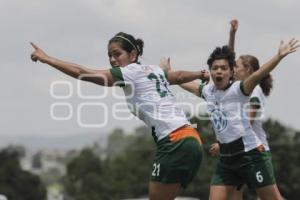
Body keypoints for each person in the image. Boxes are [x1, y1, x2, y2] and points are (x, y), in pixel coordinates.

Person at [30, 32, 210, 200]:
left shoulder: (129, 72)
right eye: (109, 55)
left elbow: (81, 73)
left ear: (133, 55)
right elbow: (177, 76)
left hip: (174, 141)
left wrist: (47, 59)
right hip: (192, 140)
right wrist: (200, 73)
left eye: (117, 54)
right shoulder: (153, 70)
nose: (112, 59)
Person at [160, 36, 299, 199]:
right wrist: (170, 73)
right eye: (215, 68)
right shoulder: (208, 91)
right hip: (226, 160)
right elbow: (187, 85)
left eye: (224, 68)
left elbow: (260, 73)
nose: (219, 71)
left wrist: (279, 56)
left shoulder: (239, 89)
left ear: (232, 72)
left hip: (251, 155)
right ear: (210, 71)